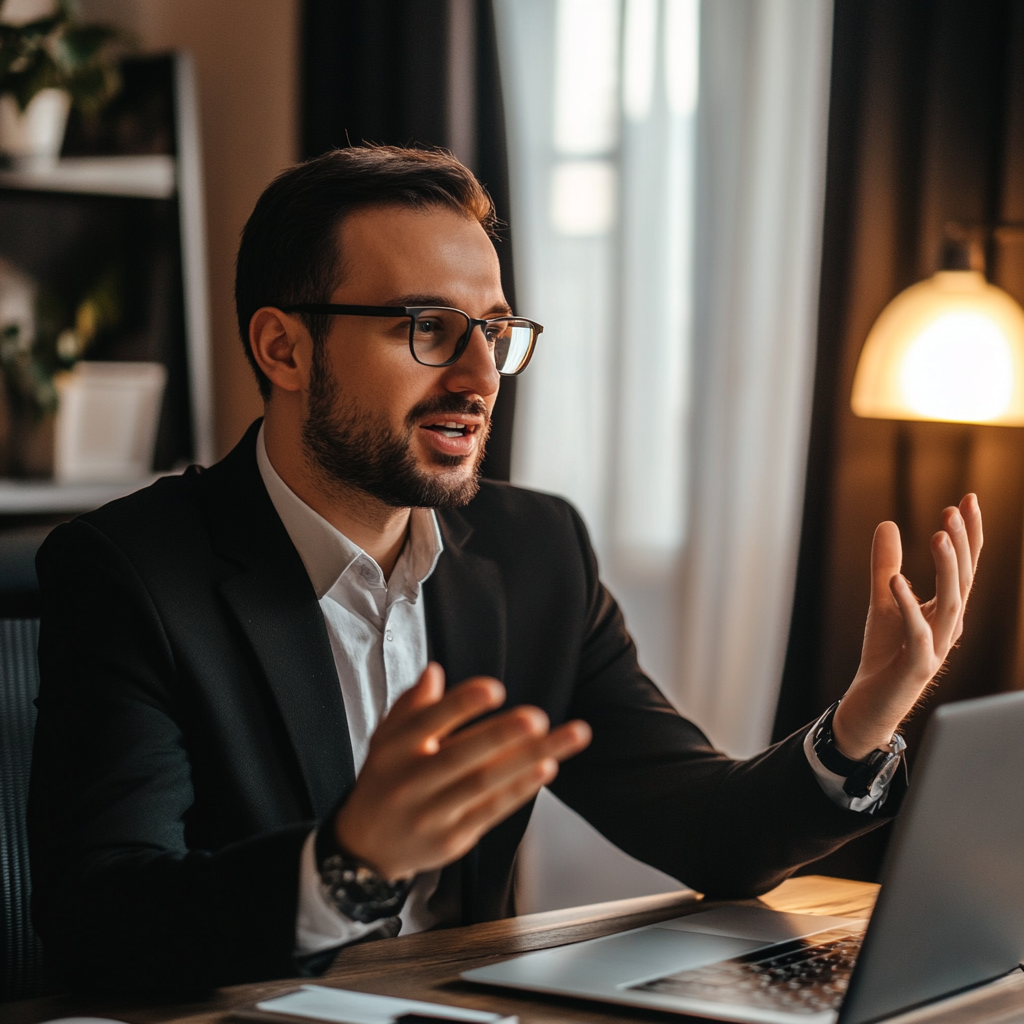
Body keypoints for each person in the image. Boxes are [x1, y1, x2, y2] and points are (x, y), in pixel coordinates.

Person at [28, 146, 983, 996]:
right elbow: (102, 924)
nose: (480, 379)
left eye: (494, 331)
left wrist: (863, 721)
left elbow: (709, 832)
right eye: (427, 328)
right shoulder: (130, 573)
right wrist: (344, 866)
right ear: (284, 347)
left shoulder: (536, 554)